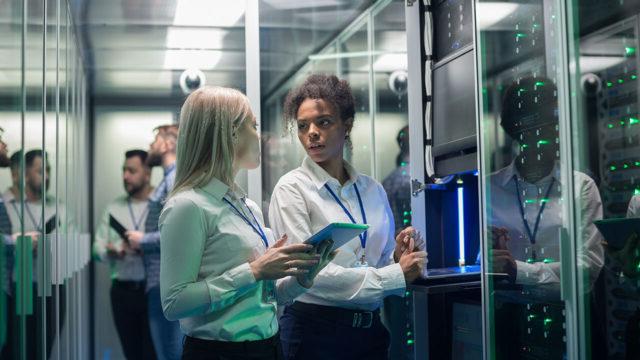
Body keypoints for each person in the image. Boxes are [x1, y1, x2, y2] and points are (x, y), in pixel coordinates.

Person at [160, 86, 334, 360]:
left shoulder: (247, 206)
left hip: (268, 348)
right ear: (229, 133)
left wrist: (303, 278)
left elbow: (266, 296)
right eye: (253, 125)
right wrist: (253, 271)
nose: (260, 136)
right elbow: (174, 303)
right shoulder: (187, 206)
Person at [268, 74, 427, 360]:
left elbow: (378, 257)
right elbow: (311, 275)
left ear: (347, 125)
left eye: (323, 122)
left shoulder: (372, 189)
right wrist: (394, 275)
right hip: (314, 335)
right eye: (303, 126)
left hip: (371, 334)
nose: (312, 133)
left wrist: (396, 256)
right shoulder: (292, 189)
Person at [488, 77, 604, 286]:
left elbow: (588, 267)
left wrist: (519, 270)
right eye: (535, 128)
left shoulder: (581, 187)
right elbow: (476, 263)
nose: (546, 136)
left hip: (569, 312)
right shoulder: (489, 190)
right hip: (505, 313)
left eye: (552, 125)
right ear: (516, 131)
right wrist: (488, 257)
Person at [125, 124, 182, 359]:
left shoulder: (174, 178)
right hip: (160, 280)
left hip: (164, 282)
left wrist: (143, 240)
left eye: (155, 140)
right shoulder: (169, 178)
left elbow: (178, 232)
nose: (150, 146)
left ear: (168, 145)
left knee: (170, 352)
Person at [1, 149, 65, 359]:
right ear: (22, 174)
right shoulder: (5, 204)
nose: (46, 176)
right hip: (20, 284)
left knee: (43, 349)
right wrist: (19, 242)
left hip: (51, 284)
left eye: (48, 170)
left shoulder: (58, 206)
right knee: (19, 347)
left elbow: (73, 244)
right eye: (40, 171)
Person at [93, 149, 156, 359]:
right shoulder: (114, 208)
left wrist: (145, 244)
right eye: (123, 170)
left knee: (156, 352)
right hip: (122, 293)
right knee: (132, 353)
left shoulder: (161, 205)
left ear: (147, 173)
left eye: (131, 171)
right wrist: (112, 251)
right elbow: (96, 249)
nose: (125, 176)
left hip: (153, 292)